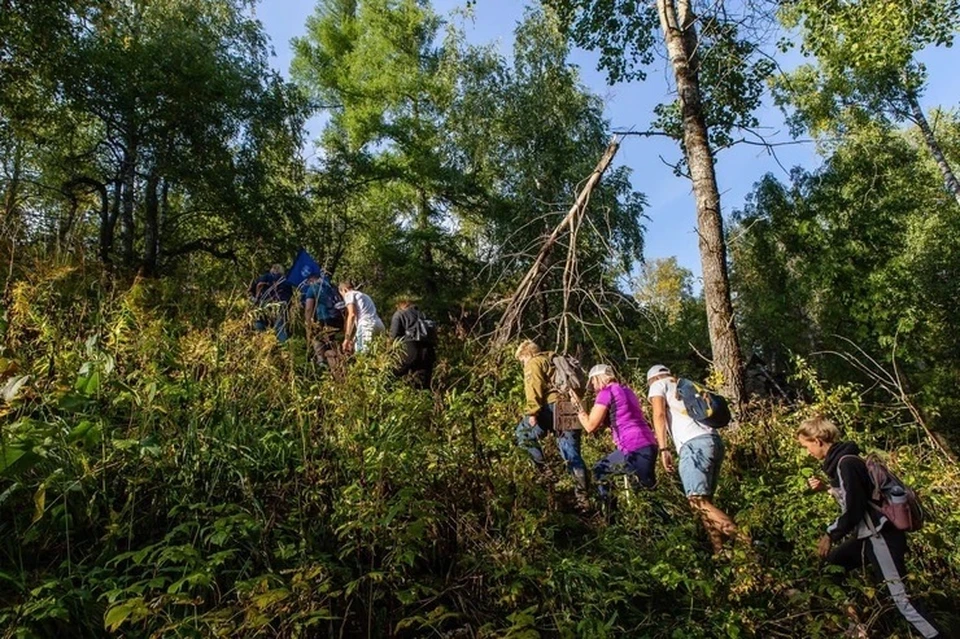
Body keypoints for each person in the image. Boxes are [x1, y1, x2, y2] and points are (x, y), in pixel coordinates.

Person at [798, 416, 942, 638]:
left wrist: (830, 534)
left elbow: (854, 509)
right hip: (869, 537)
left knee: (902, 599)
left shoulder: (846, 463)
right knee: (832, 565)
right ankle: (856, 625)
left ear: (817, 440)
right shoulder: (845, 462)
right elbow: (856, 496)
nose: (807, 452)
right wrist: (828, 489)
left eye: (806, 446)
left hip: (880, 535)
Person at [647, 364, 738, 553]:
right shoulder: (684, 385)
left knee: (698, 502)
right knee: (705, 504)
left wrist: (664, 449)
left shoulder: (658, 385)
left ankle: (746, 542)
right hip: (713, 441)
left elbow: (659, 414)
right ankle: (720, 553)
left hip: (693, 446)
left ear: (651, 380)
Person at [514, 340, 589, 509]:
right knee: (572, 453)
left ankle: (545, 472)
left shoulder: (534, 362)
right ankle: (583, 499)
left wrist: (532, 412)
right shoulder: (554, 360)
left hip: (552, 407)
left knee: (523, 434)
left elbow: (533, 389)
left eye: (522, 360)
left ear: (527, 354)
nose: (523, 364)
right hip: (571, 407)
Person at [576, 364, 658, 510]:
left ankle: (610, 516)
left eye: (593, 382)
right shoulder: (627, 391)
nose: (593, 386)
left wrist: (579, 411)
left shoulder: (606, 392)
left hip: (633, 446)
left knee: (646, 497)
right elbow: (622, 415)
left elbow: (590, 426)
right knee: (641, 489)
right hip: (648, 442)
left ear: (598, 378)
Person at [389, 299, 436, 390]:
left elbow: (394, 336)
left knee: (392, 374)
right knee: (423, 385)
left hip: (410, 349)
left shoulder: (399, 314)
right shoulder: (423, 314)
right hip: (428, 351)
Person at [303, 272, 344, 367]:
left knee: (321, 341)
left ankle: (323, 363)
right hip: (339, 319)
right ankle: (343, 367)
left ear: (311, 280)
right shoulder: (332, 286)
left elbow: (309, 309)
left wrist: (308, 325)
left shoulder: (312, 288)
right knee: (336, 345)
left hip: (325, 320)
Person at [338, 281, 384, 355]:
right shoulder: (364, 295)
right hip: (378, 324)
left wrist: (346, 338)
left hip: (366, 325)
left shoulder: (349, 294)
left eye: (342, 295)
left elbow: (352, 314)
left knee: (362, 355)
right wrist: (353, 339)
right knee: (378, 354)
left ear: (344, 290)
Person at [251, 264, 292, 342]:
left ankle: (261, 343)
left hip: (267, 303)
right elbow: (290, 295)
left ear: (272, 269)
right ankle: (284, 347)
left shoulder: (267, 276)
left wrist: (257, 298)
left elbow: (259, 285)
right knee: (280, 327)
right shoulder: (286, 280)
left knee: (260, 322)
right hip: (282, 305)